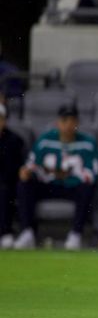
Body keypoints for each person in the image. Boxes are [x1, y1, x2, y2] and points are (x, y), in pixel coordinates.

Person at [13, 105, 98, 251]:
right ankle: (27, 232)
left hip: (73, 186)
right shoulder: (45, 140)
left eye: (72, 121)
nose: (68, 125)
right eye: (65, 120)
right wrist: (27, 171)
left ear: (77, 123)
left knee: (87, 188)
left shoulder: (88, 143)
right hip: (48, 185)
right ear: (58, 122)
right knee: (24, 183)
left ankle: (76, 234)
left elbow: (93, 173)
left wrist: (69, 176)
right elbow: (32, 164)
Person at [0, 104, 28, 249]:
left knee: (4, 190)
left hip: (8, 182)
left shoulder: (14, 140)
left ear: (4, 121)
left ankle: (5, 233)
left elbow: (16, 168)